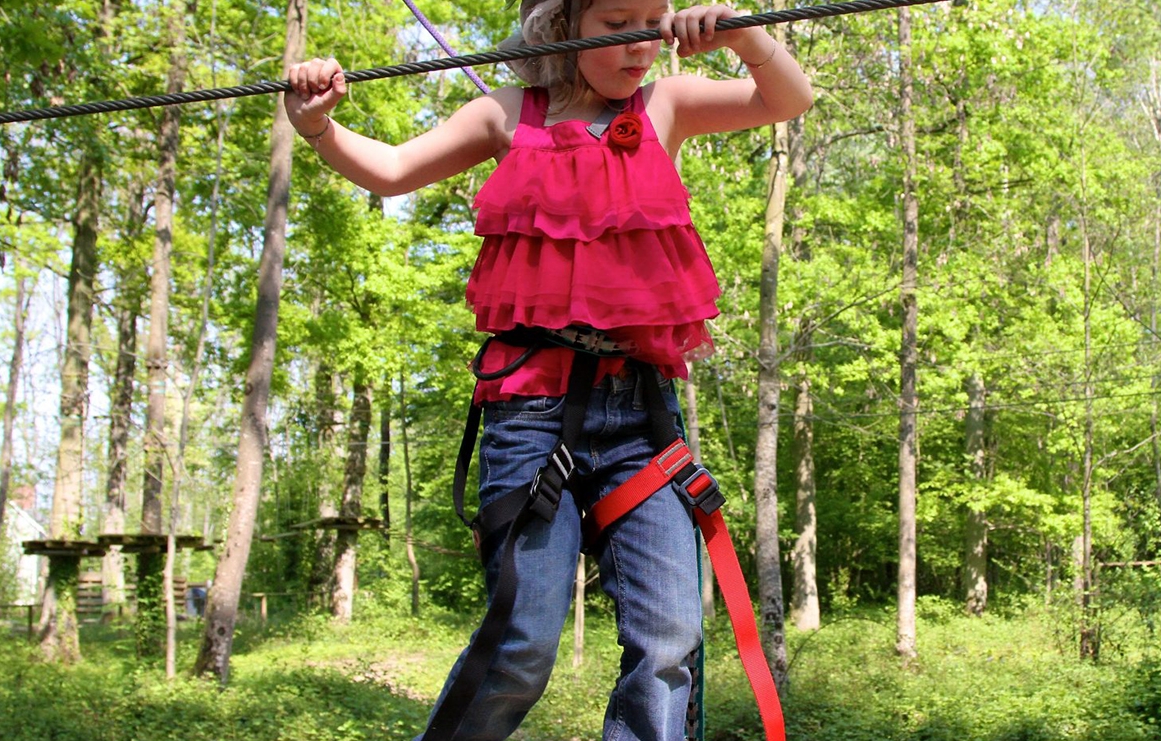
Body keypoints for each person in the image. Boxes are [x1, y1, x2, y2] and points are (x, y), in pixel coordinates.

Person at [284, 1, 811, 739]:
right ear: (561, 28)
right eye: (615, 24)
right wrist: (318, 123)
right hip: (532, 411)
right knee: (523, 645)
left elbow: (787, 98)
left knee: (670, 641)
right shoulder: (507, 115)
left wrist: (744, 35)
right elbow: (394, 170)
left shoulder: (667, 104)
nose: (640, 45)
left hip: (642, 417)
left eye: (652, 21)